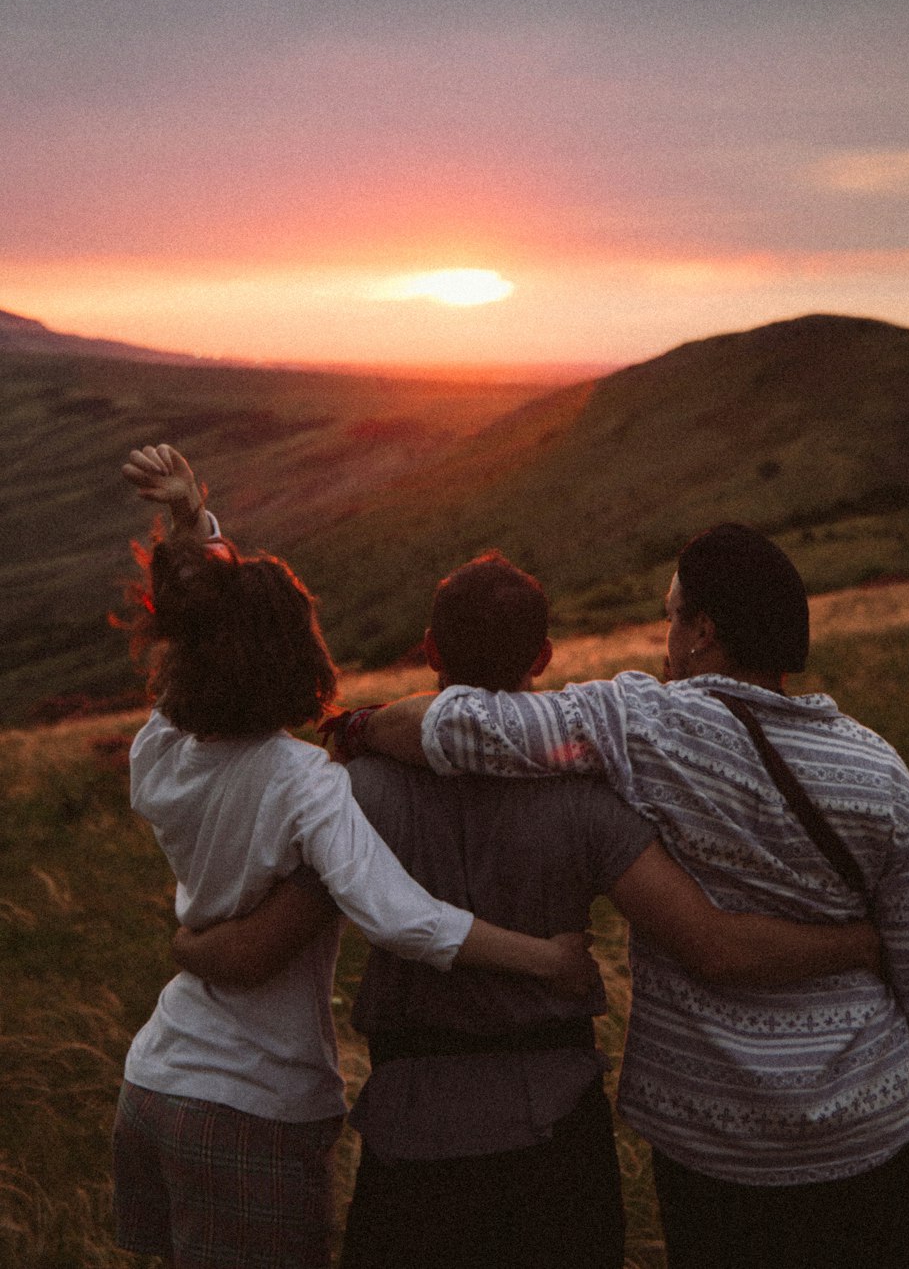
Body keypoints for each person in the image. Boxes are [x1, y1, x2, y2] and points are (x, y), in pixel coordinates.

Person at [175, 544, 881, 1269]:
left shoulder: (359, 794)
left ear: (428, 649)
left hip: (411, 1138)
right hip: (557, 1145)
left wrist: (184, 946)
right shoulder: (588, 799)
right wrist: (858, 943)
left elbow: (259, 950)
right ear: (542, 658)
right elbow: (713, 945)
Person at [349, 523, 909, 1269]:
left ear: (703, 632)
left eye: (671, 614)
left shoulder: (642, 724)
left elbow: (455, 724)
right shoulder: (882, 772)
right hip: (873, 1122)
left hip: (715, 1136)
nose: (664, 633)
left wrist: (355, 723)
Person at [112, 446, 598, 1269]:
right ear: (299, 652)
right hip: (253, 1100)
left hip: (153, 1084)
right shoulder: (304, 782)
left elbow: (195, 624)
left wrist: (194, 524)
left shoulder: (157, 748)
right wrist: (547, 959)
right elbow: (399, 916)